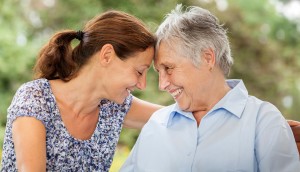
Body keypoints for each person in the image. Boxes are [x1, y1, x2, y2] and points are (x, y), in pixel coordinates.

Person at [120, 5, 300, 172]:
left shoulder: (263, 121)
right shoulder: (156, 123)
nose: (162, 84)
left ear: (207, 58)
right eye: (159, 72)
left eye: (168, 68)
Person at [0, 10, 162, 171]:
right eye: (139, 72)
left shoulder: (114, 107)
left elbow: (175, 117)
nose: (142, 85)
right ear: (107, 55)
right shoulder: (35, 99)